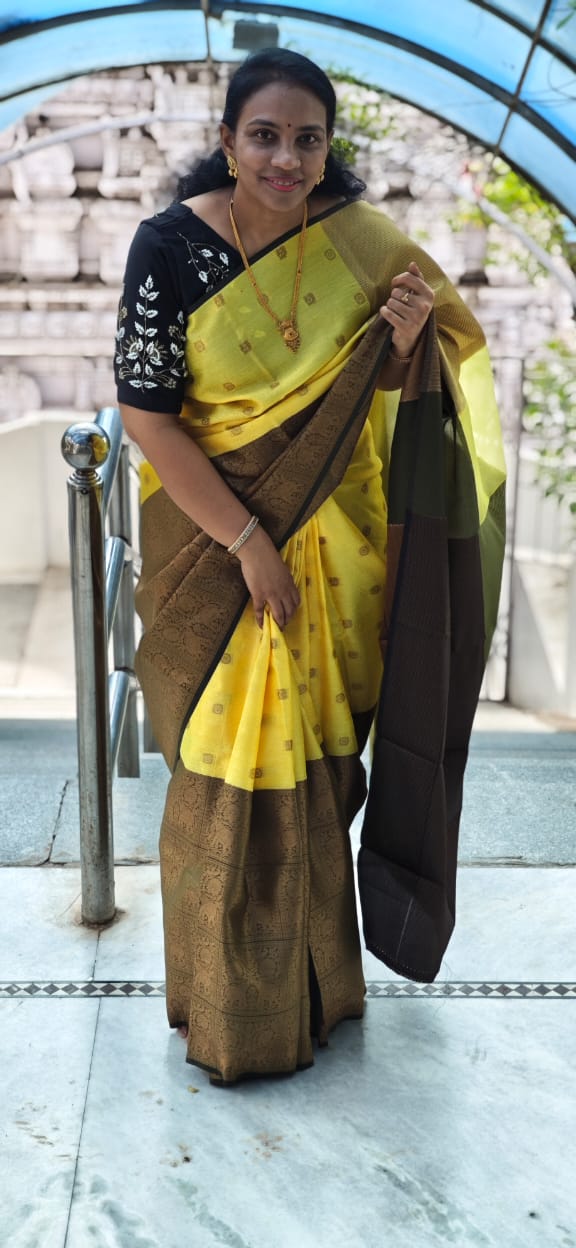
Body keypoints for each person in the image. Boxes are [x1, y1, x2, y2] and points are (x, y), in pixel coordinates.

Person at [114, 48, 505, 1085]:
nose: (286, 159)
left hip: (342, 555)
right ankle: (230, 1001)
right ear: (230, 135)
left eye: (308, 139)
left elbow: (410, 384)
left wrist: (411, 344)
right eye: (265, 136)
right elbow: (147, 417)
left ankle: (321, 988)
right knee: (226, 763)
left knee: (324, 761)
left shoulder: (363, 245)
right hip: (216, 550)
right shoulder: (169, 246)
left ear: (331, 147)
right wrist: (249, 547)